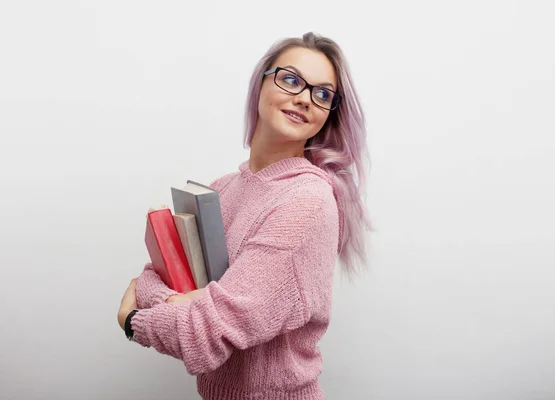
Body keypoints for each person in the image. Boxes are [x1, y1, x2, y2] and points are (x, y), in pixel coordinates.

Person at [117, 31, 372, 400]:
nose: (303, 98)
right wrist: (177, 300)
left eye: (322, 93)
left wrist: (133, 320)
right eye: (290, 79)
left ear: (328, 114)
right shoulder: (220, 189)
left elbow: (205, 332)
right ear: (260, 83)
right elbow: (154, 275)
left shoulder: (307, 200)